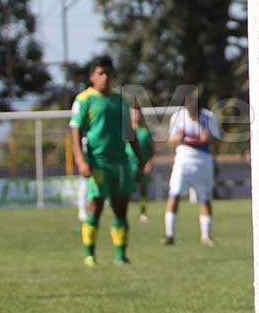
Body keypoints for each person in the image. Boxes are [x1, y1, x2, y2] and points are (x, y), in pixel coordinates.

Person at [69, 56, 149, 266]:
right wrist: (80, 160)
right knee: (95, 206)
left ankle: (121, 256)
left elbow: (129, 132)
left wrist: (140, 158)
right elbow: (75, 131)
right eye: (100, 73)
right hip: (98, 162)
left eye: (108, 74)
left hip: (120, 162)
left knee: (121, 207)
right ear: (92, 77)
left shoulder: (119, 100)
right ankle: (90, 254)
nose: (105, 78)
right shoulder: (84, 100)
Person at [164, 88, 222, 246]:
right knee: (174, 194)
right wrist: (178, 137)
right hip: (183, 160)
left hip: (203, 160)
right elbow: (170, 140)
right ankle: (169, 234)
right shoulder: (178, 117)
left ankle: (206, 236)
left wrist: (208, 138)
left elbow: (217, 139)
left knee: (205, 198)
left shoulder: (208, 117)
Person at [127, 102, 155, 222]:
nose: (135, 116)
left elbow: (152, 149)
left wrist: (149, 162)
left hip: (142, 165)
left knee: (143, 190)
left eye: (137, 113)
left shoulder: (145, 131)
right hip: (128, 165)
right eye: (133, 113)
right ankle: (124, 212)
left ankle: (143, 212)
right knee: (126, 190)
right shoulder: (126, 131)